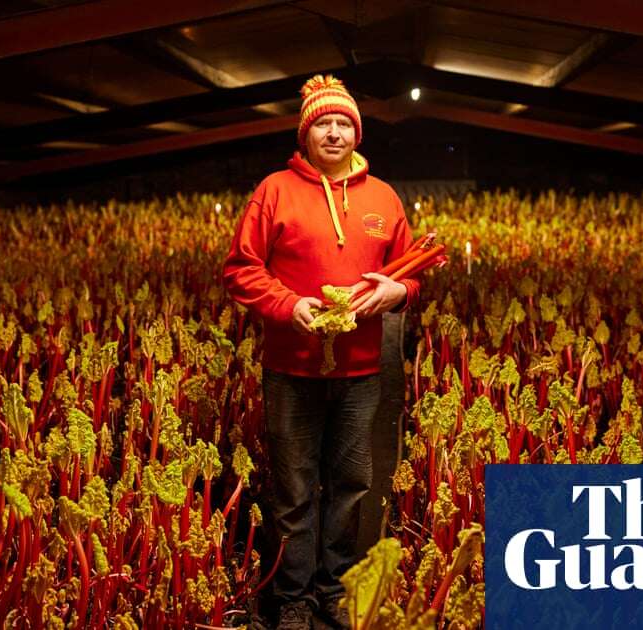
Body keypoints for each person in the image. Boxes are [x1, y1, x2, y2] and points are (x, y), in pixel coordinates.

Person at [222, 75, 420, 630]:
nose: (333, 133)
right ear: (305, 133)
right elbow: (241, 270)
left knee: (353, 484)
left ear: (356, 133)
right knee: (292, 486)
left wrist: (399, 291)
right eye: (322, 124)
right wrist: (289, 307)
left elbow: (411, 273)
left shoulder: (384, 197)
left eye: (343, 124)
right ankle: (293, 597)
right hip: (291, 367)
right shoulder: (274, 191)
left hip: (360, 370)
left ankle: (334, 588)